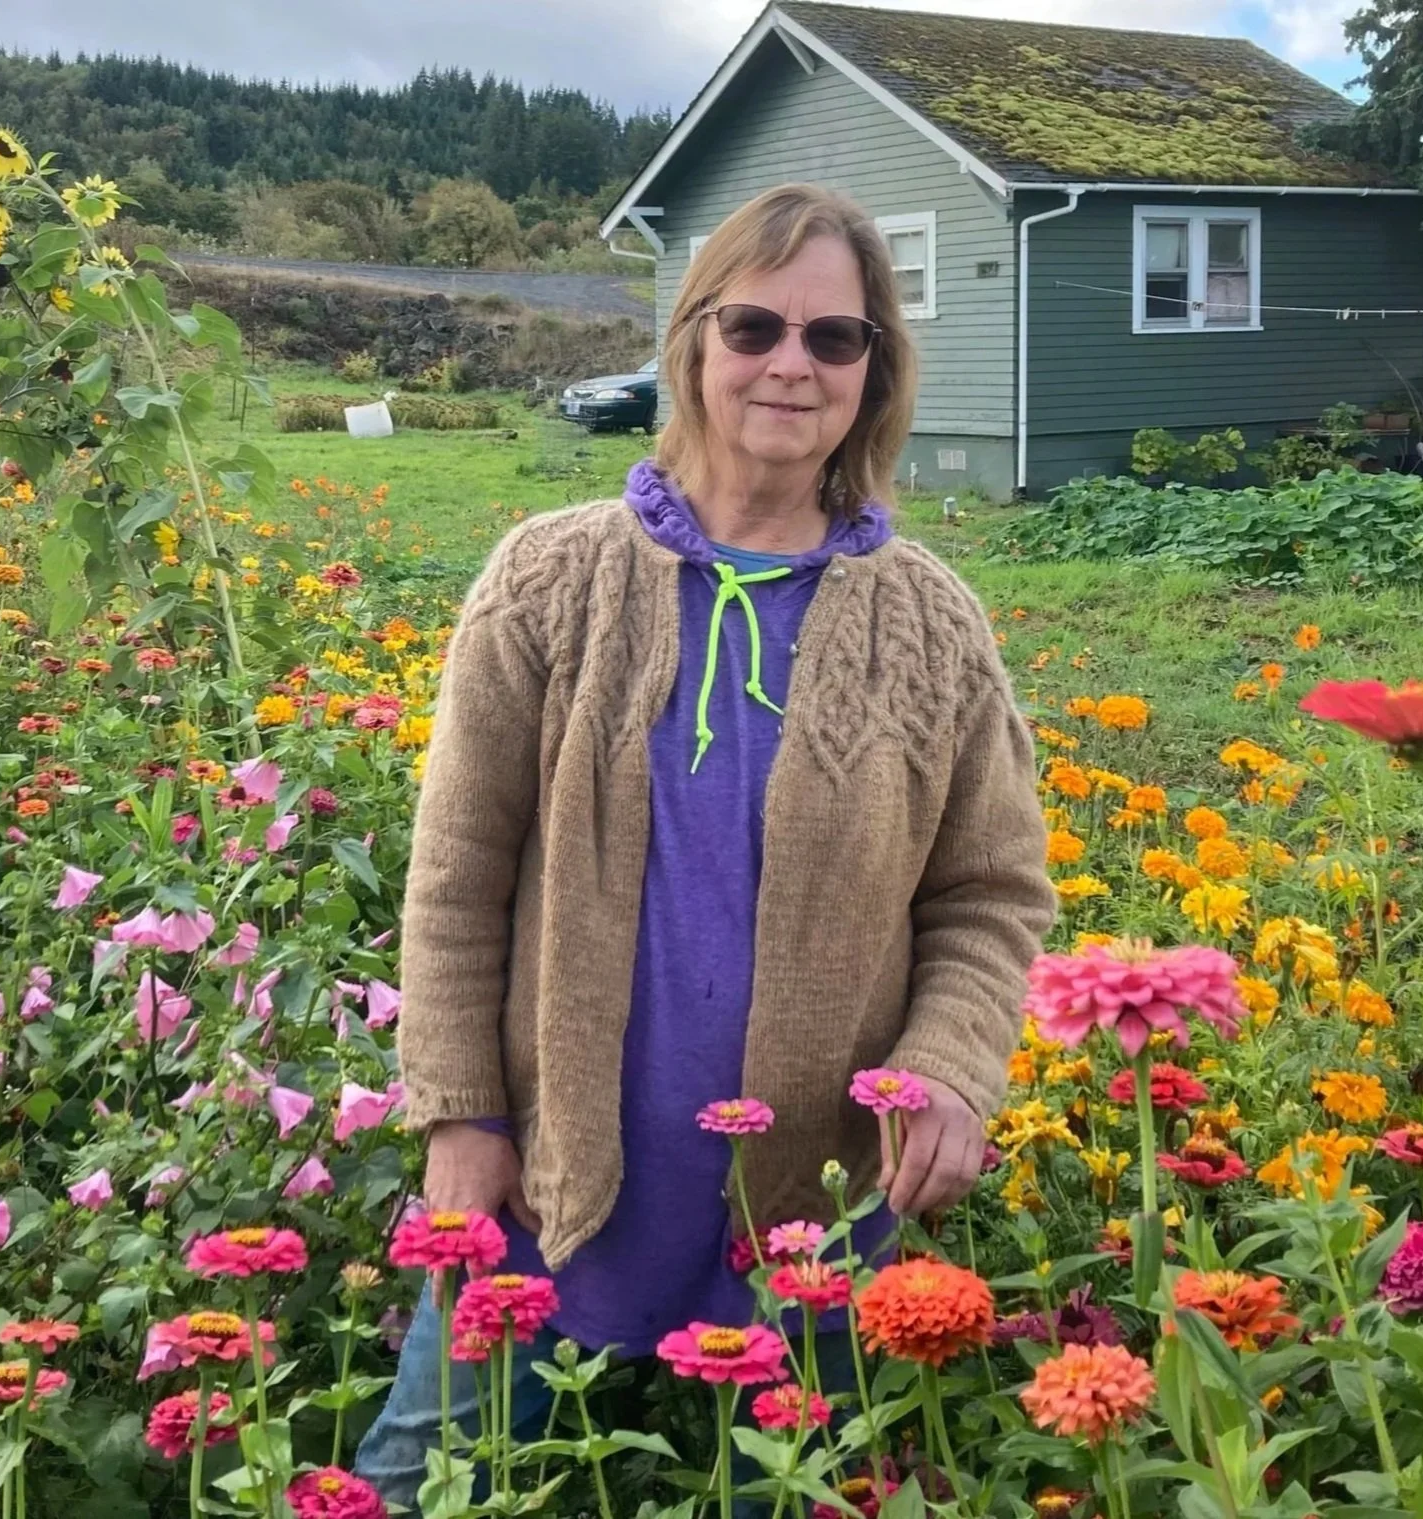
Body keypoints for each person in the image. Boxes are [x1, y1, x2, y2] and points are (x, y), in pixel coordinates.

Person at [354, 182, 1056, 1503]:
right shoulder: (544, 578)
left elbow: (988, 895)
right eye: (753, 327)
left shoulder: (932, 621)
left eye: (833, 338)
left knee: (780, 1490)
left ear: (872, 370)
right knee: (411, 1474)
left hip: (815, 1196)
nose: (790, 364)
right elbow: (454, 885)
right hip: (541, 1171)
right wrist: (460, 1113)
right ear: (691, 344)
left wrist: (951, 1067)